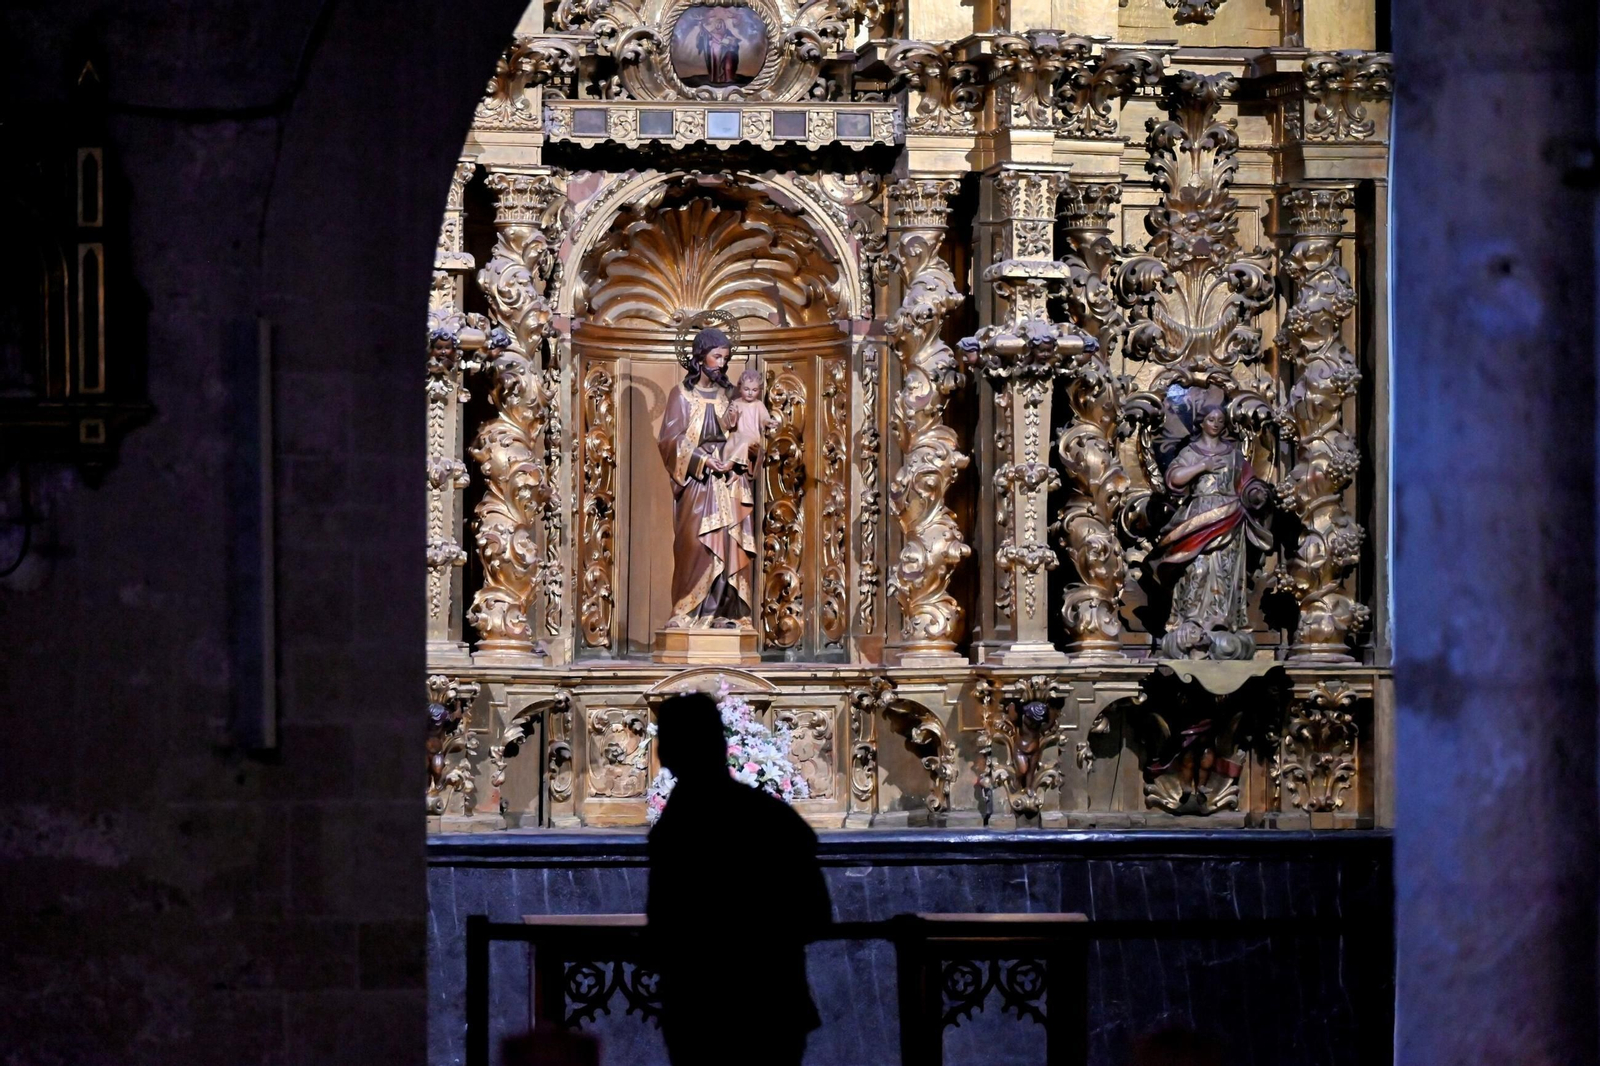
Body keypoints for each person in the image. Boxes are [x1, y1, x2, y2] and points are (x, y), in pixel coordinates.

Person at [646, 692, 831, 1066]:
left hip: (705, 1007)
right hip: (768, 1004)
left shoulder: (680, 827)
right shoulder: (770, 817)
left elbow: (665, 921)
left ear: (670, 753)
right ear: (719, 744)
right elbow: (816, 915)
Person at [1146, 404, 1271, 660]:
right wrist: (1202, 467)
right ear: (1202, 423)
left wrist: (1256, 493)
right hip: (1198, 518)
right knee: (1196, 569)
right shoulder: (1191, 452)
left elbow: (1247, 482)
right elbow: (1174, 478)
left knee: (1225, 571)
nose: (1215, 423)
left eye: (1220, 420)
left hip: (1230, 518)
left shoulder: (1234, 454)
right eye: (1211, 419)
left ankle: (1222, 620)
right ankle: (1191, 620)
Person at [657, 328, 756, 629]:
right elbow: (669, 440)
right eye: (717, 357)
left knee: (728, 543)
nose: (722, 365)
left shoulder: (730, 398)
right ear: (700, 358)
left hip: (728, 482)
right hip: (698, 484)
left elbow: (743, 435)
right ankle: (686, 611)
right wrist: (702, 459)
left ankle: (722, 613)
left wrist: (744, 448)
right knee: (696, 545)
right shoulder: (682, 395)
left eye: (726, 359)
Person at [722, 367, 773, 472]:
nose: (750, 393)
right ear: (740, 388)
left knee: (744, 442)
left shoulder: (758, 405)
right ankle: (729, 474)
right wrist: (732, 416)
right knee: (728, 445)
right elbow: (727, 423)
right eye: (746, 389)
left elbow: (764, 417)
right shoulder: (736, 403)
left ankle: (728, 465)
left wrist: (768, 422)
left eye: (754, 390)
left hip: (751, 436)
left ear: (759, 390)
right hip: (736, 434)